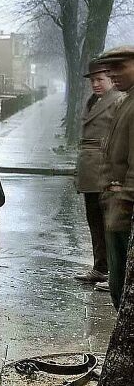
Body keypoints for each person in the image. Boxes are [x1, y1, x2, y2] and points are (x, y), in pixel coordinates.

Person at [74, 60, 122, 284]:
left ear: (111, 79)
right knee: (94, 221)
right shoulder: (93, 101)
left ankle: (114, 273)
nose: (95, 84)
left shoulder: (118, 101)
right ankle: (100, 268)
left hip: (105, 169)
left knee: (109, 224)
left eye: (100, 80)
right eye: (92, 80)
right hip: (90, 171)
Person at [95, 45, 134, 309]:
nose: (113, 74)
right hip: (117, 202)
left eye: (120, 67)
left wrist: (125, 199)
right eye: (110, 69)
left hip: (125, 208)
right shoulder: (126, 100)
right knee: (118, 284)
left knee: (123, 285)